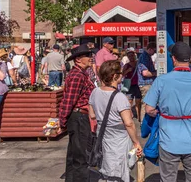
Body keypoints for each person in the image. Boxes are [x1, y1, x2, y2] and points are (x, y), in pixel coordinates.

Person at [144, 42, 191, 182]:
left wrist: (160, 113)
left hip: (169, 139)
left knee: (167, 179)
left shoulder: (161, 81)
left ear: (173, 59)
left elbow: (148, 108)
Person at [89, 60, 143, 182]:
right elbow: (129, 123)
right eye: (120, 73)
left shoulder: (95, 92)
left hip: (102, 135)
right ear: (114, 76)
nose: (122, 75)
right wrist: (136, 143)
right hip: (118, 138)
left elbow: (92, 115)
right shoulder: (120, 97)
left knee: (106, 168)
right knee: (119, 171)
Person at [58, 44, 96, 182]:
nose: (90, 58)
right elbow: (68, 100)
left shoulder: (81, 74)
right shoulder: (77, 76)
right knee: (80, 156)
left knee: (75, 154)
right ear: (78, 59)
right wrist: (62, 121)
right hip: (79, 117)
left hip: (79, 116)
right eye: (88, 56)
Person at [122, 49, 145, 121]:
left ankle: (139, 117)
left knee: (138, 101)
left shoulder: (138, 63)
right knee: (130, 101)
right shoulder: (126, 65)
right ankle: (129, 116)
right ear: (128, 57)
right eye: (129, 56)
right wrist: (128, 71)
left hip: (138, 84)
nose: (131, 57)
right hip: (129, 85)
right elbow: (122, 74)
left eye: (132, 56)